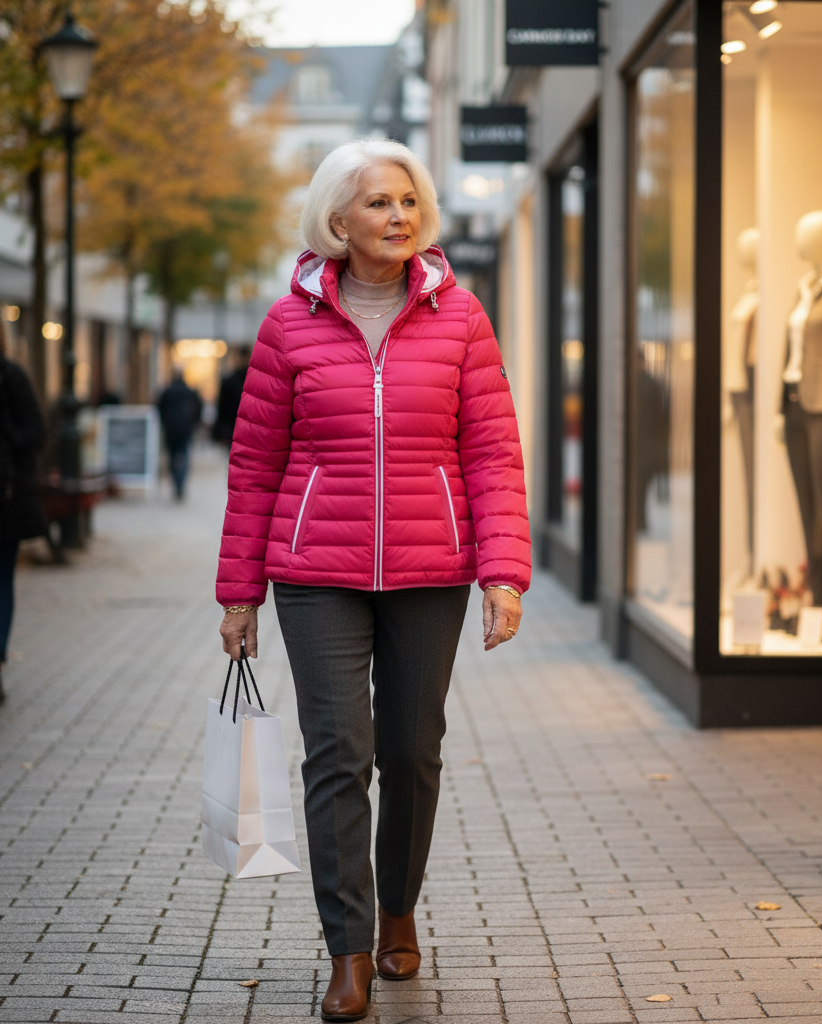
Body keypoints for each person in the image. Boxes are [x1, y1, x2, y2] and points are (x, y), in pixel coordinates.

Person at [216, 139, 531, 1023]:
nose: (398, 217)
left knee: (412, 753)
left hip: (433, 569)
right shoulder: (288, 326)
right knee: (338, 756)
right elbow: (254, 466)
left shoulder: (460, 317)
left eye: (407, 201)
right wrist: (239, 593)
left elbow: (494, 454)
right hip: (315, 571)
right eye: (378, 204)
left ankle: (400, 912)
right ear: (337, 221)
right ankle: (348, 950)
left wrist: (502, 572)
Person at [0, 322, 47, 702]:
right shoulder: (11, 375)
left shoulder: (10, 377)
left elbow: (34, 433)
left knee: (2, 581)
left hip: (6, 501)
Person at [156, 369, 202, 500]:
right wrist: (194, 423)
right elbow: (199, 409)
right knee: (184, 456)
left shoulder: (167, 392)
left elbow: (160, 408)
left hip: (170, 429)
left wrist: (165, 422)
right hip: (186, 429)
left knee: (171, 457)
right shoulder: (190, 392)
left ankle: (176, 483)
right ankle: (180, 482)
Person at [212, 345, 251, 445]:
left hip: (234, 430)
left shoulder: (230, 381)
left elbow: (222, 408)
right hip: (240, 429)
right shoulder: (253, 380)